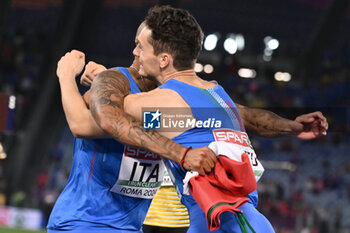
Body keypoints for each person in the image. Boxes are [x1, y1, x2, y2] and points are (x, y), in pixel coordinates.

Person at [89, 5, 328, 233]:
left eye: (141, 47)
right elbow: (245, 116)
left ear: (163, 59)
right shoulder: (216, 95)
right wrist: (291, 127)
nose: (135, 53)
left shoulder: (161, 102)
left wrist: (100, 77)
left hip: (216, 223)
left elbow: (102, 117)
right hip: (251, 223)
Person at [47, 21, 217, 233]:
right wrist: (67, 75)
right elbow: (80, 124)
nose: (135, 51)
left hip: (130, 226)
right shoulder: (121, 83)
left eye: (141, 46)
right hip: (84, 222)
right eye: (137, 44)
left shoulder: (174, 101)